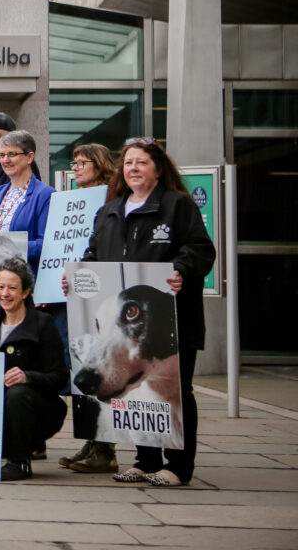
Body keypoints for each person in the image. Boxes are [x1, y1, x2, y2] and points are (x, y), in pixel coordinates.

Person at [76, 137, 215, 487]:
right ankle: (145, 459)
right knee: (134, 391)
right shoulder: (109, 210)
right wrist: (77, 279)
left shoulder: (177, 206)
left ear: (157, 168)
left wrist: (180, 270)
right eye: (128, 163)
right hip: (119, 323)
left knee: (177, 392)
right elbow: (93, 256)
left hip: (170, 321)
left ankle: (178, 466)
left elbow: (200, 249)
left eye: (141, 162)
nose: (133, 168)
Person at [58, 142, 119, 474]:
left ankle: (105, 446)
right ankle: (93, 441)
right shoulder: (70, 201)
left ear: (100, 164)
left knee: (100, 368)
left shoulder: (110, 202)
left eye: (83, 162)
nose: (76, 167)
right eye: (74, 162)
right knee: (83, 366)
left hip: (104, 291)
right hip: (79, 289)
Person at [0, 256, 67, 481]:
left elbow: (60, 377)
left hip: (40, 409)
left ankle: (19, 461)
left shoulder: (43, 325)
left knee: (18, 393)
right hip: (1, 407)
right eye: (0, 287)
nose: (5, 293)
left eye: (12, 288)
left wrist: (27, 377)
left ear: (26, 292)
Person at [0, 131, 53, 273]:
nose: (5, 160)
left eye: (12, 154)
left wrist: (6, 247)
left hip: (26, 281)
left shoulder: (46, 195)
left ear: (29, 157)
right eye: (2, 155)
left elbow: (46, 245)